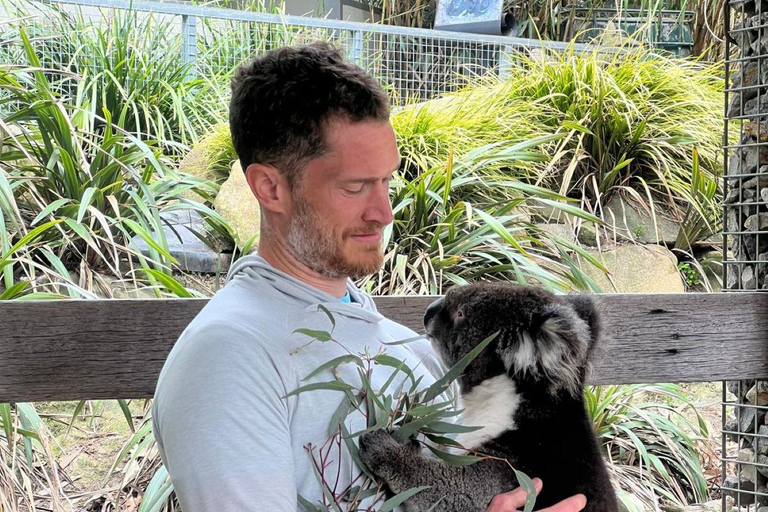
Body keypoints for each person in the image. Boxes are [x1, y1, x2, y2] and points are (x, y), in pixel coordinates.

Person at [152, 42, 589, 512]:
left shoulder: (406, 347)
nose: (383, 213)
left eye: (387, 182)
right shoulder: (230, 360)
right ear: (270, 187)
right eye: (355, 186)